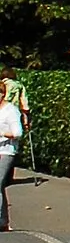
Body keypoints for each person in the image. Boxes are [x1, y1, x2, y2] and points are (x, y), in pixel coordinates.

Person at [0, 79, 22, 232]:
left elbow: (18, 133)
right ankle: (3, 222)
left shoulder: (10, 110)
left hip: (6, 151)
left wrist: (1, 133)